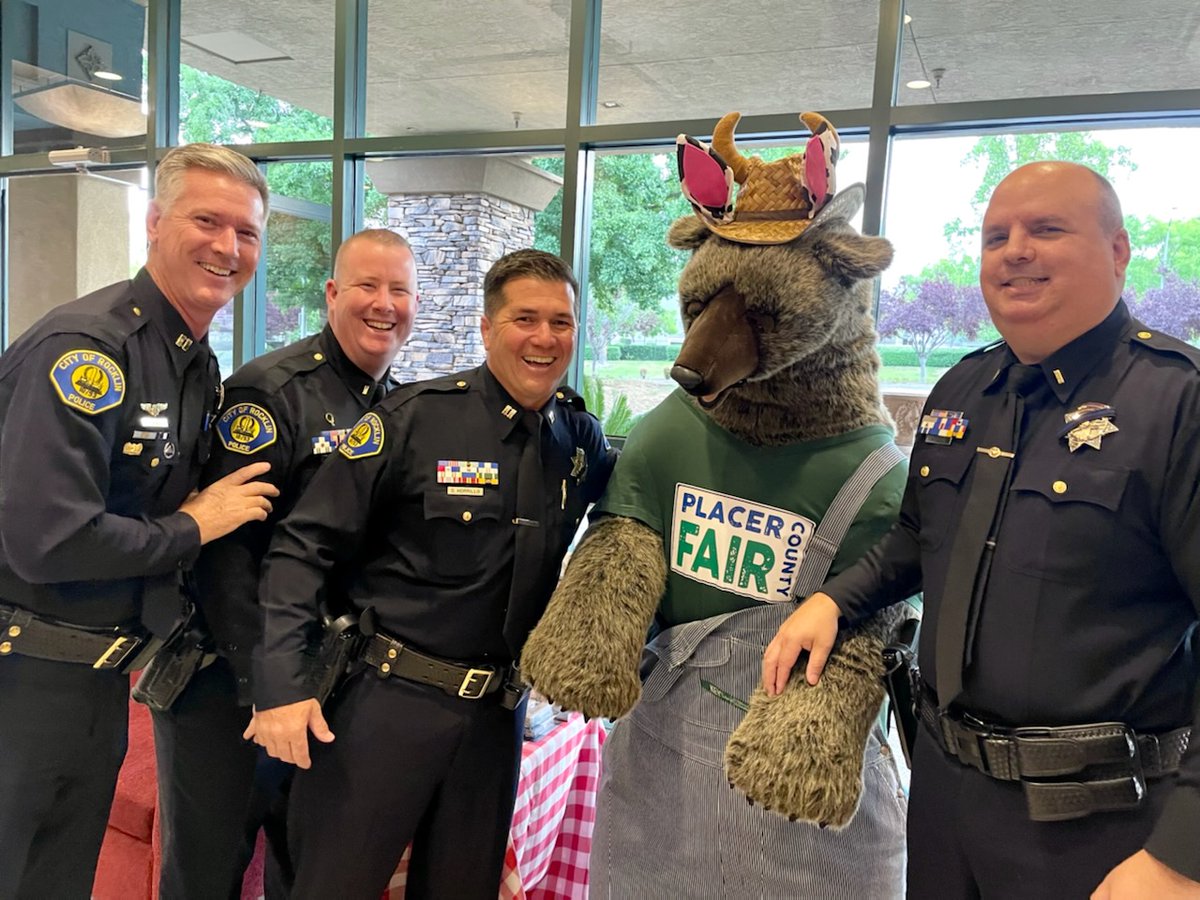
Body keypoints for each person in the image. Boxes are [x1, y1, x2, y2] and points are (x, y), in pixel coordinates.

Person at [761, 160, 1200, 899]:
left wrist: (1182, 854)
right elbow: (916, 541)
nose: (1016, 250)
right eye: (997, 236)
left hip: (1100, 825)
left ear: (1119, 252)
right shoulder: (965, 389)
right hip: (944, 797)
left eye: (1047, 229)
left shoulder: (1177, 404)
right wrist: (834, 601)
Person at [245, 248, 617, 899]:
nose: (544, 338)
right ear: (487, 328)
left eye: (561, 322)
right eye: (525, 319)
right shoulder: (412, 421)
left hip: (495, 723)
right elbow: (301, 549)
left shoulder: (577, 439)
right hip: (386, 708)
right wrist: (280, 683)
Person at [0, 142, 280, 899]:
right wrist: (196, 526)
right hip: (23, 678)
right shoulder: (89, 349)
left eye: (247, 232)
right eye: (207, 221)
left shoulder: (191, 361)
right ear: (155, 222)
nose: (227, 247)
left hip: (102, 678)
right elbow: (49, 540)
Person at [151, 228, 421, 900]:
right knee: (206, 876)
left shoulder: (401, 404)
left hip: (331, 680)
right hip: (229, 684)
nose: (383, 304)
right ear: (332, 294)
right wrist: (273, 685)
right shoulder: (270, 393)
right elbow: (226, 556)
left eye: (399, 290)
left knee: (307, 872)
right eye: (366, 285)